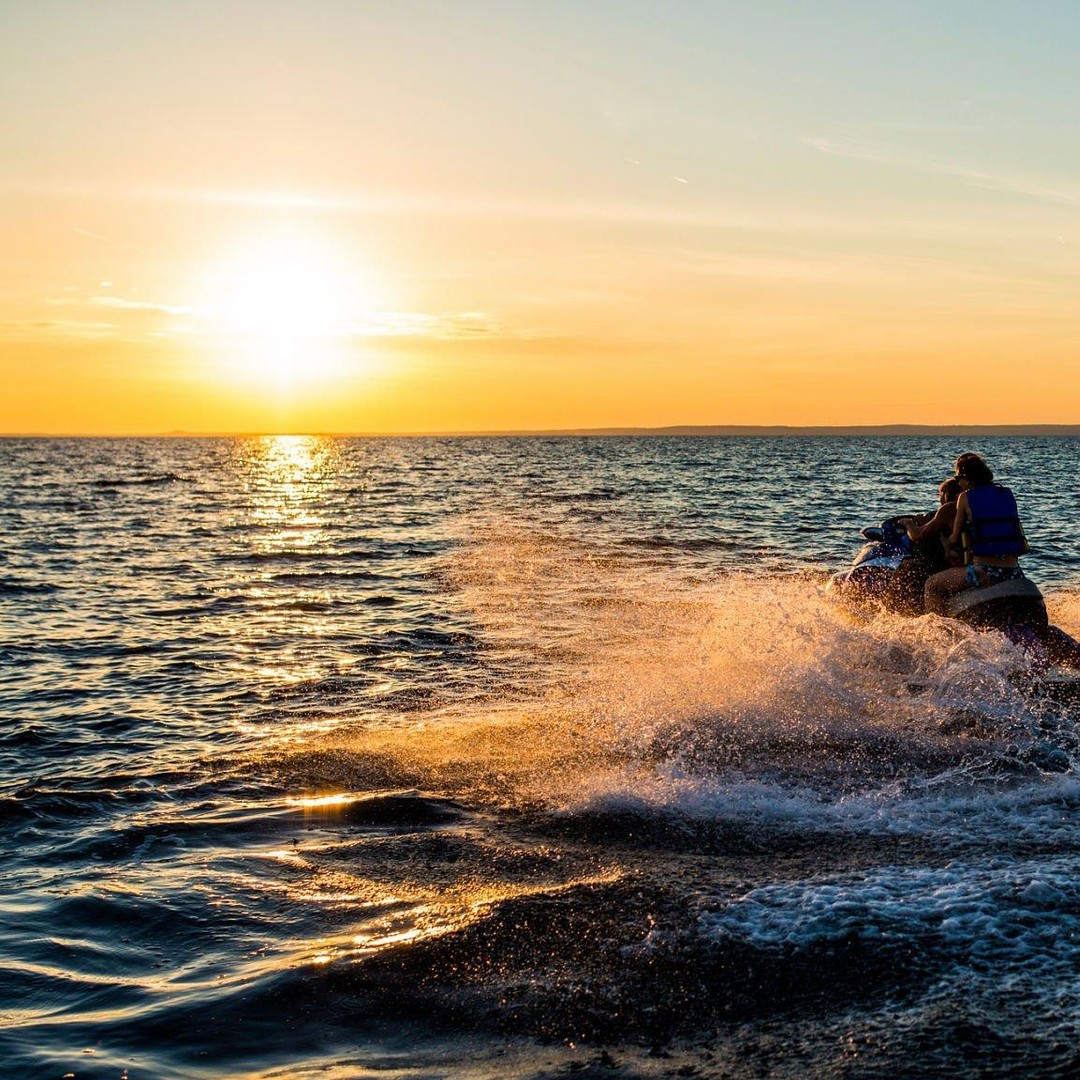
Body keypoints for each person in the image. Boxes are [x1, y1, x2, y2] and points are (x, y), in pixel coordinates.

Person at [924, 453, 1029, 615]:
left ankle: (939, 629)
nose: (959, 483)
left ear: (967, 478)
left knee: (932, 585)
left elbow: (953, 539)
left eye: (958, 479)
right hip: (1014, 571)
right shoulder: (1006, 493)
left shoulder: (965, 498)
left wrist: (946, 545)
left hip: (985, 572)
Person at [883, 478, 963, 614]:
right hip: (965, 562)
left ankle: (897, 612)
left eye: (940, 494)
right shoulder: (971, 509)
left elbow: (918, 535)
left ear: (945, 494)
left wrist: (909, 523)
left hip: (940, 564)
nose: (940, 498)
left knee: (907, 569)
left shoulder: (948, 510)